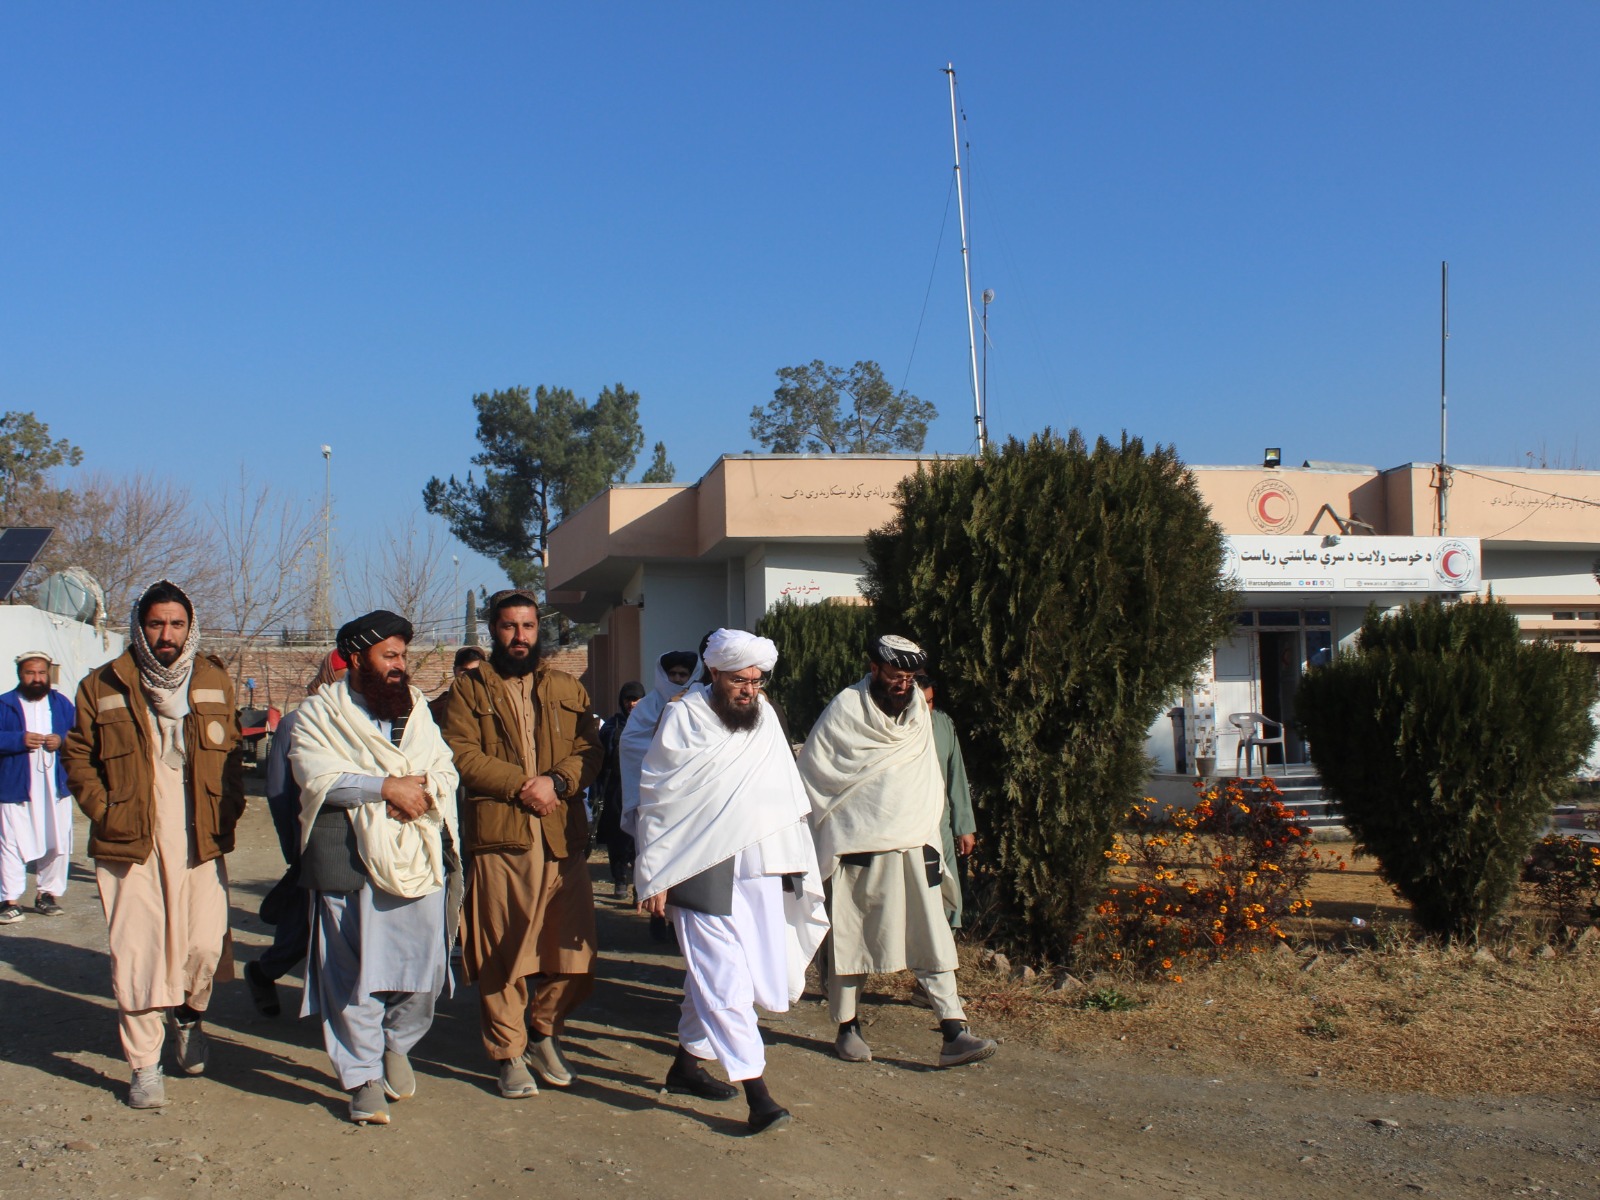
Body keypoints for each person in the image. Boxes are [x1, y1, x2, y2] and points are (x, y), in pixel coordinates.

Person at [634, 628, 828, 1135]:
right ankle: (758, 1095)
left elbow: (782, 788)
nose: (749, 690)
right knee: (725, 977)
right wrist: (653, 874)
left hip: (761, 865)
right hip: (698, 866)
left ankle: (684, 1065)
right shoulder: (683, 718)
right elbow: (658, 797)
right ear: (714, 673)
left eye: (757, 681)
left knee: (730, 970)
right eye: (739, 680)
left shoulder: (764, 717)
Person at [63, 580, 245, 1110]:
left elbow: (232, 748)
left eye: (176, 624)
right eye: (155, 624)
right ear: (139, 626)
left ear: (190, 627)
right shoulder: (102, 684)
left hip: (199, 836)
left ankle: (189, 1018)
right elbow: (79, 755)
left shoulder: (213, 679)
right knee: (139, 951)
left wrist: (228, 808)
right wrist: (104, 809)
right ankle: (145, 1067)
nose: (166, 635)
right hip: (130, 839)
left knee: (206, 944)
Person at [289, 610, 459, 1126]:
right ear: (357, 658)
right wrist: (384, 787)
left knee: (422, 969)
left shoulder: (418, 708)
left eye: (403, 656)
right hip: (348, 855)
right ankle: (361, 1077)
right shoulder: (320, 713)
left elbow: (445, 765)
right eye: (389, 655)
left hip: (417, 853)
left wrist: (424, 790)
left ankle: (397, 1045)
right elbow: (314, 776)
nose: (399, 666)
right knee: (351, 975)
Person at [799, 634, 996, 1069]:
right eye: (894, 676)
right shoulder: (846, 710)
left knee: (932, 937)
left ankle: (954, 1030)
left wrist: (930, 835)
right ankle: (847, 1027)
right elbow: (817, 773)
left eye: (908, 678)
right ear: (874, 669)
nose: (901, 685)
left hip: (912, 843)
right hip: (858, 846)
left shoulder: (919, 717)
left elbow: (927, 782)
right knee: (853, 942)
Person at [441, 589, 602, 1099]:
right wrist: (521, 784)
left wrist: (556, 782)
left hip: (561, 833)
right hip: (502, 838)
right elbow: (460, 754)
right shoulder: (468, 692)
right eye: (509, 627)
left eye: (528, 627)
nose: (519, 636)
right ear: (494, 630)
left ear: (539, 629)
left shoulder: (565, 687)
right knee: (503, 951)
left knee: (575, 954)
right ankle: (508, 1053)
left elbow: (590, 751)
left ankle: (542, 1030)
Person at [244, 650, 348, 1017]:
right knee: (302, 926)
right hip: (313, 844)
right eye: (345, 673)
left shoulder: (361, 722)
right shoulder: (296, 723)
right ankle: (263, 972)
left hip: (353, 846)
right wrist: (296, 849)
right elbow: (279, 793)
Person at [0, 652, 77, 922]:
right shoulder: (5, 704)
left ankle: (48, 895)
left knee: (57, 842)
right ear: (20, 675)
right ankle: (9, 900)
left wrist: (62, 740)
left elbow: (81, 734)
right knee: (11, 842)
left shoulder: (62, 704)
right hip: (16, 787)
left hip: (54, 787)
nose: (36, 679)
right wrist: (18, 740)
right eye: (30, 673)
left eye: (41, 673)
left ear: (48, 675)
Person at [919, 672, 977, 928]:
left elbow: (956, 776)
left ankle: (948, 933)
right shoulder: (892, 729)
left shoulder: (943, 725)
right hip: (908, 826)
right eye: (922, 704)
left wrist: (965, 828)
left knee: (947, 883)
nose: (927, 709)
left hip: (940, 823)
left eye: (930, 702)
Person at [593, 681, 646, 900]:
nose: (632, 704)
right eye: (628, 699)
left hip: (643, 790)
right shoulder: (612, 727)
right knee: (618, 838)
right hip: (616, 790)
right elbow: (600, 760)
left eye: (636, 699)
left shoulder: (651, 723)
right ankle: (620, 879)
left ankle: (639, 885)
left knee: (640, 840)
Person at [429, 646, 485, 726]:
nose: (469, 676)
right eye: (464, 671)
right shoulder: (437, 709)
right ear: (455, 671)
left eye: (475, 671)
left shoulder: (493, 705)